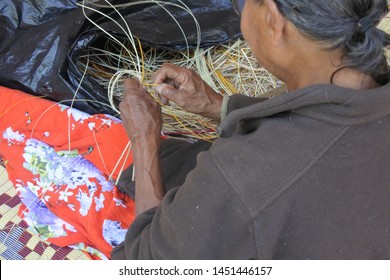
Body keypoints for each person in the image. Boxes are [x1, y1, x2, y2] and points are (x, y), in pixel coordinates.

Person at [112, 0, 390, 259]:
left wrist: (143, 138)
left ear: (272, 18)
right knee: (177, 161)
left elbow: (146, 263)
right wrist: (215, 105)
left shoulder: (245, 177)